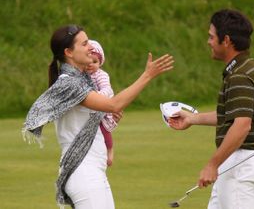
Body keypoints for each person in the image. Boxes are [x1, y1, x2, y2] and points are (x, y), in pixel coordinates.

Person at [22, 24, 174, 209]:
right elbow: (114, 104)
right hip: (84, 172)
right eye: (85, 44)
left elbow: (102, 113)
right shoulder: (69, 83)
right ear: (69, 52)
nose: (90, 48)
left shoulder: (82, 80)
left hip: (92, 171)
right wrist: (147, 75)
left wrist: (108, 118)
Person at [169, 9, 254, 209]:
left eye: (211, 36)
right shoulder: (246, 67)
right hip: (239, 163)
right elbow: (231, 116)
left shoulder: (240, 76)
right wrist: (193, 118)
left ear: (226, 40)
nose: (209, 41)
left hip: (241, 165)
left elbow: (242, 125)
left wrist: (212, 164)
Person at [86, 39, 120, 167]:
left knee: (104, 129)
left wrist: (96, 97)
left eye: (95, 62)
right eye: (88, 61)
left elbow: (107, 89)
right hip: (90, 109)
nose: (91, 64)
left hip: (102, 106)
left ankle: (110, 150)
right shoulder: (81, 75)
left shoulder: (101, 75)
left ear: (100, 62)